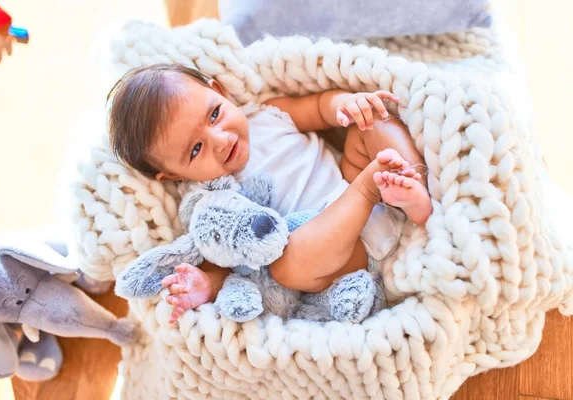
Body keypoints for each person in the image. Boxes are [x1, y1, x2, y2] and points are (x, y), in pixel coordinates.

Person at [107, 63, 432, 322]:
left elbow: (319, 108)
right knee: (288, 266)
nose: (220, 140)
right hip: (339, 253)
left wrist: (345, 105)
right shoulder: (211, 201)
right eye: (195, 149)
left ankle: (414, 186)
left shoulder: (266, 114)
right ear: (173, 175)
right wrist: (204, 285)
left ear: (218, 91)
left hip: (353, 179)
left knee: (370, 123)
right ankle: (373, 185)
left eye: (215, 114)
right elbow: (222, 260)